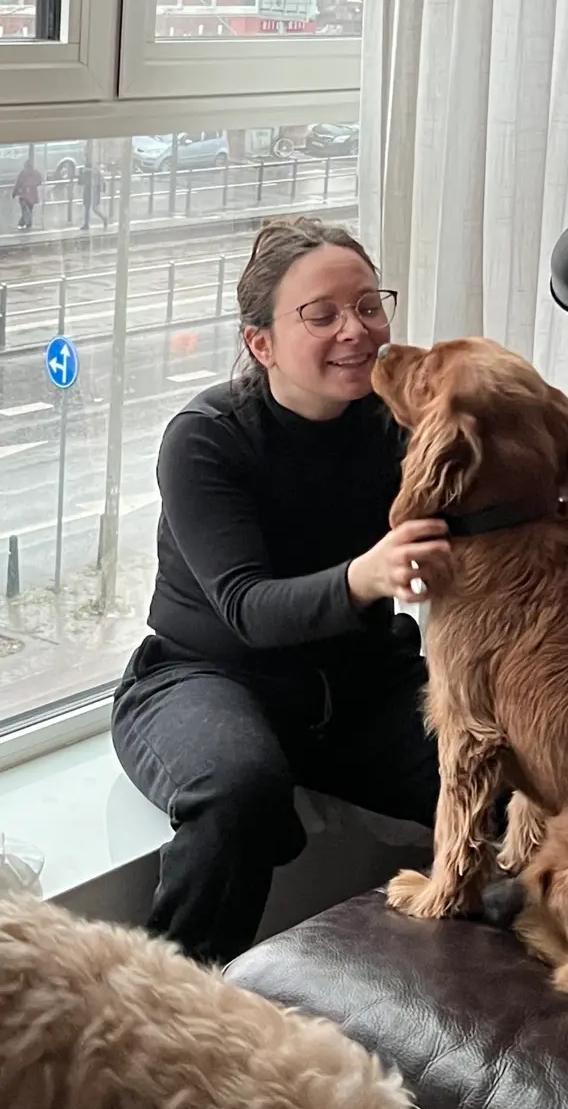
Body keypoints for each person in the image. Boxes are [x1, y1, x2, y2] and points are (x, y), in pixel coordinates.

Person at [112, 217, 451, 965]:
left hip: (358, 687)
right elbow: (246, 607)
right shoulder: (206, 437)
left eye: (368, 306)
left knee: (504, 773)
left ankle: (538, 963)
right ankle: (168, 1001)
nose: (356, 330)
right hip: (205, 677)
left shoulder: (398, 425)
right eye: (322, 315)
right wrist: (366, 575)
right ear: (260, 343)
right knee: (239, 792)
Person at [13, 161, 42, 230]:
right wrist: (15, 192)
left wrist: (15, 192)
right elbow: (39, 181)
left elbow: (18, 184)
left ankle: (24, 223)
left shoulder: (24, 174)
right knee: (27, 210)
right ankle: (26, 223)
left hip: (25, 196)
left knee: (26, 210)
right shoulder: (34, 173)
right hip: (28, 196)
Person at [79, 162, 108, 229]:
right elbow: (82, 182)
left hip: (94, 193)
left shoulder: (95, 173)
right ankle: (86, 224)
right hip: (88, 192)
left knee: (94, 208)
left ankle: (104, 218)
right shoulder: (89, 172)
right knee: (88, 208)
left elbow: (95, 184)